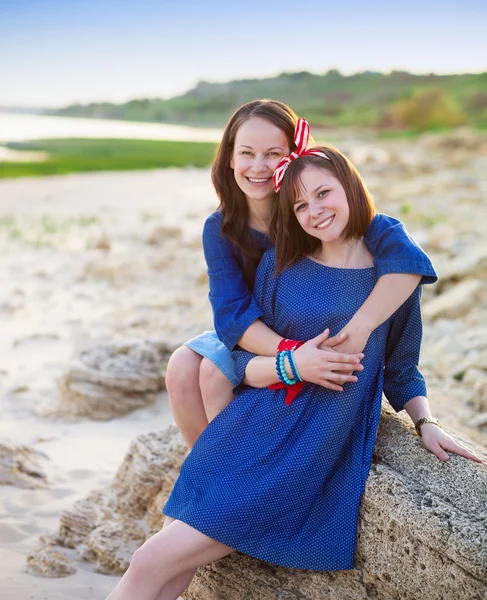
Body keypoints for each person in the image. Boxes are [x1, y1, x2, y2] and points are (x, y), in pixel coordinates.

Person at [106, 130, 484, 600]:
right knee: (163, 564)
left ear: (350, 187)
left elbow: (401, 369)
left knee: (151, 559)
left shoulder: (391, 277)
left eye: (324, 193)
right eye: (301, 205)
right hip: (247, 425)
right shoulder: (280, 266)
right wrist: (294, 366)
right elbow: (241, 361)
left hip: (308, 445)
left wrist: (425, 420)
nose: (315, 211)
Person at [165, 99, 438, 449]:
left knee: (211, 373)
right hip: (257, 337)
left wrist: (357, 330)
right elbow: (231, 315)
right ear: (231, 158)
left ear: (295, 156)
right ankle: (208, 472)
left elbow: (405, 257)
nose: (259, 167)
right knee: (181, 366)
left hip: (306, 326)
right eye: (247, 153)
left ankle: (237, 468)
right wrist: (293, 355)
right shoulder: (221, 228)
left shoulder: (315, 211)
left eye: (273, 154)